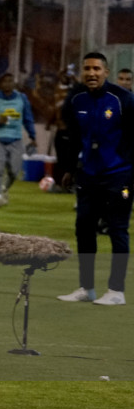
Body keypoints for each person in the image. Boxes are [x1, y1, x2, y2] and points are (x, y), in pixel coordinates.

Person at [56, 52, 134, 306]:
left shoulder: (123, 99)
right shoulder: (77, 100)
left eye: (96, 69)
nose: (91, 73)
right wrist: (69, 169)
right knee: (84, 229)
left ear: (106, 72)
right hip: (88, 175)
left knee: (117, 229)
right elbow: (73, 138)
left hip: (119, 175)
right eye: (87, 69)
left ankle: (116, 291)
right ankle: (86, 288)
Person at [0, 73, 37, 207]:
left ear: (14, 83)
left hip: (16, 139)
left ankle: (4, 188)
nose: (8, 84)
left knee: (14, 170)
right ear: (0, 84)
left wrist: (32, 136)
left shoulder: (22, 98)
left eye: (10, 81)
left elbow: (28, 118)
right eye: (5, 81)